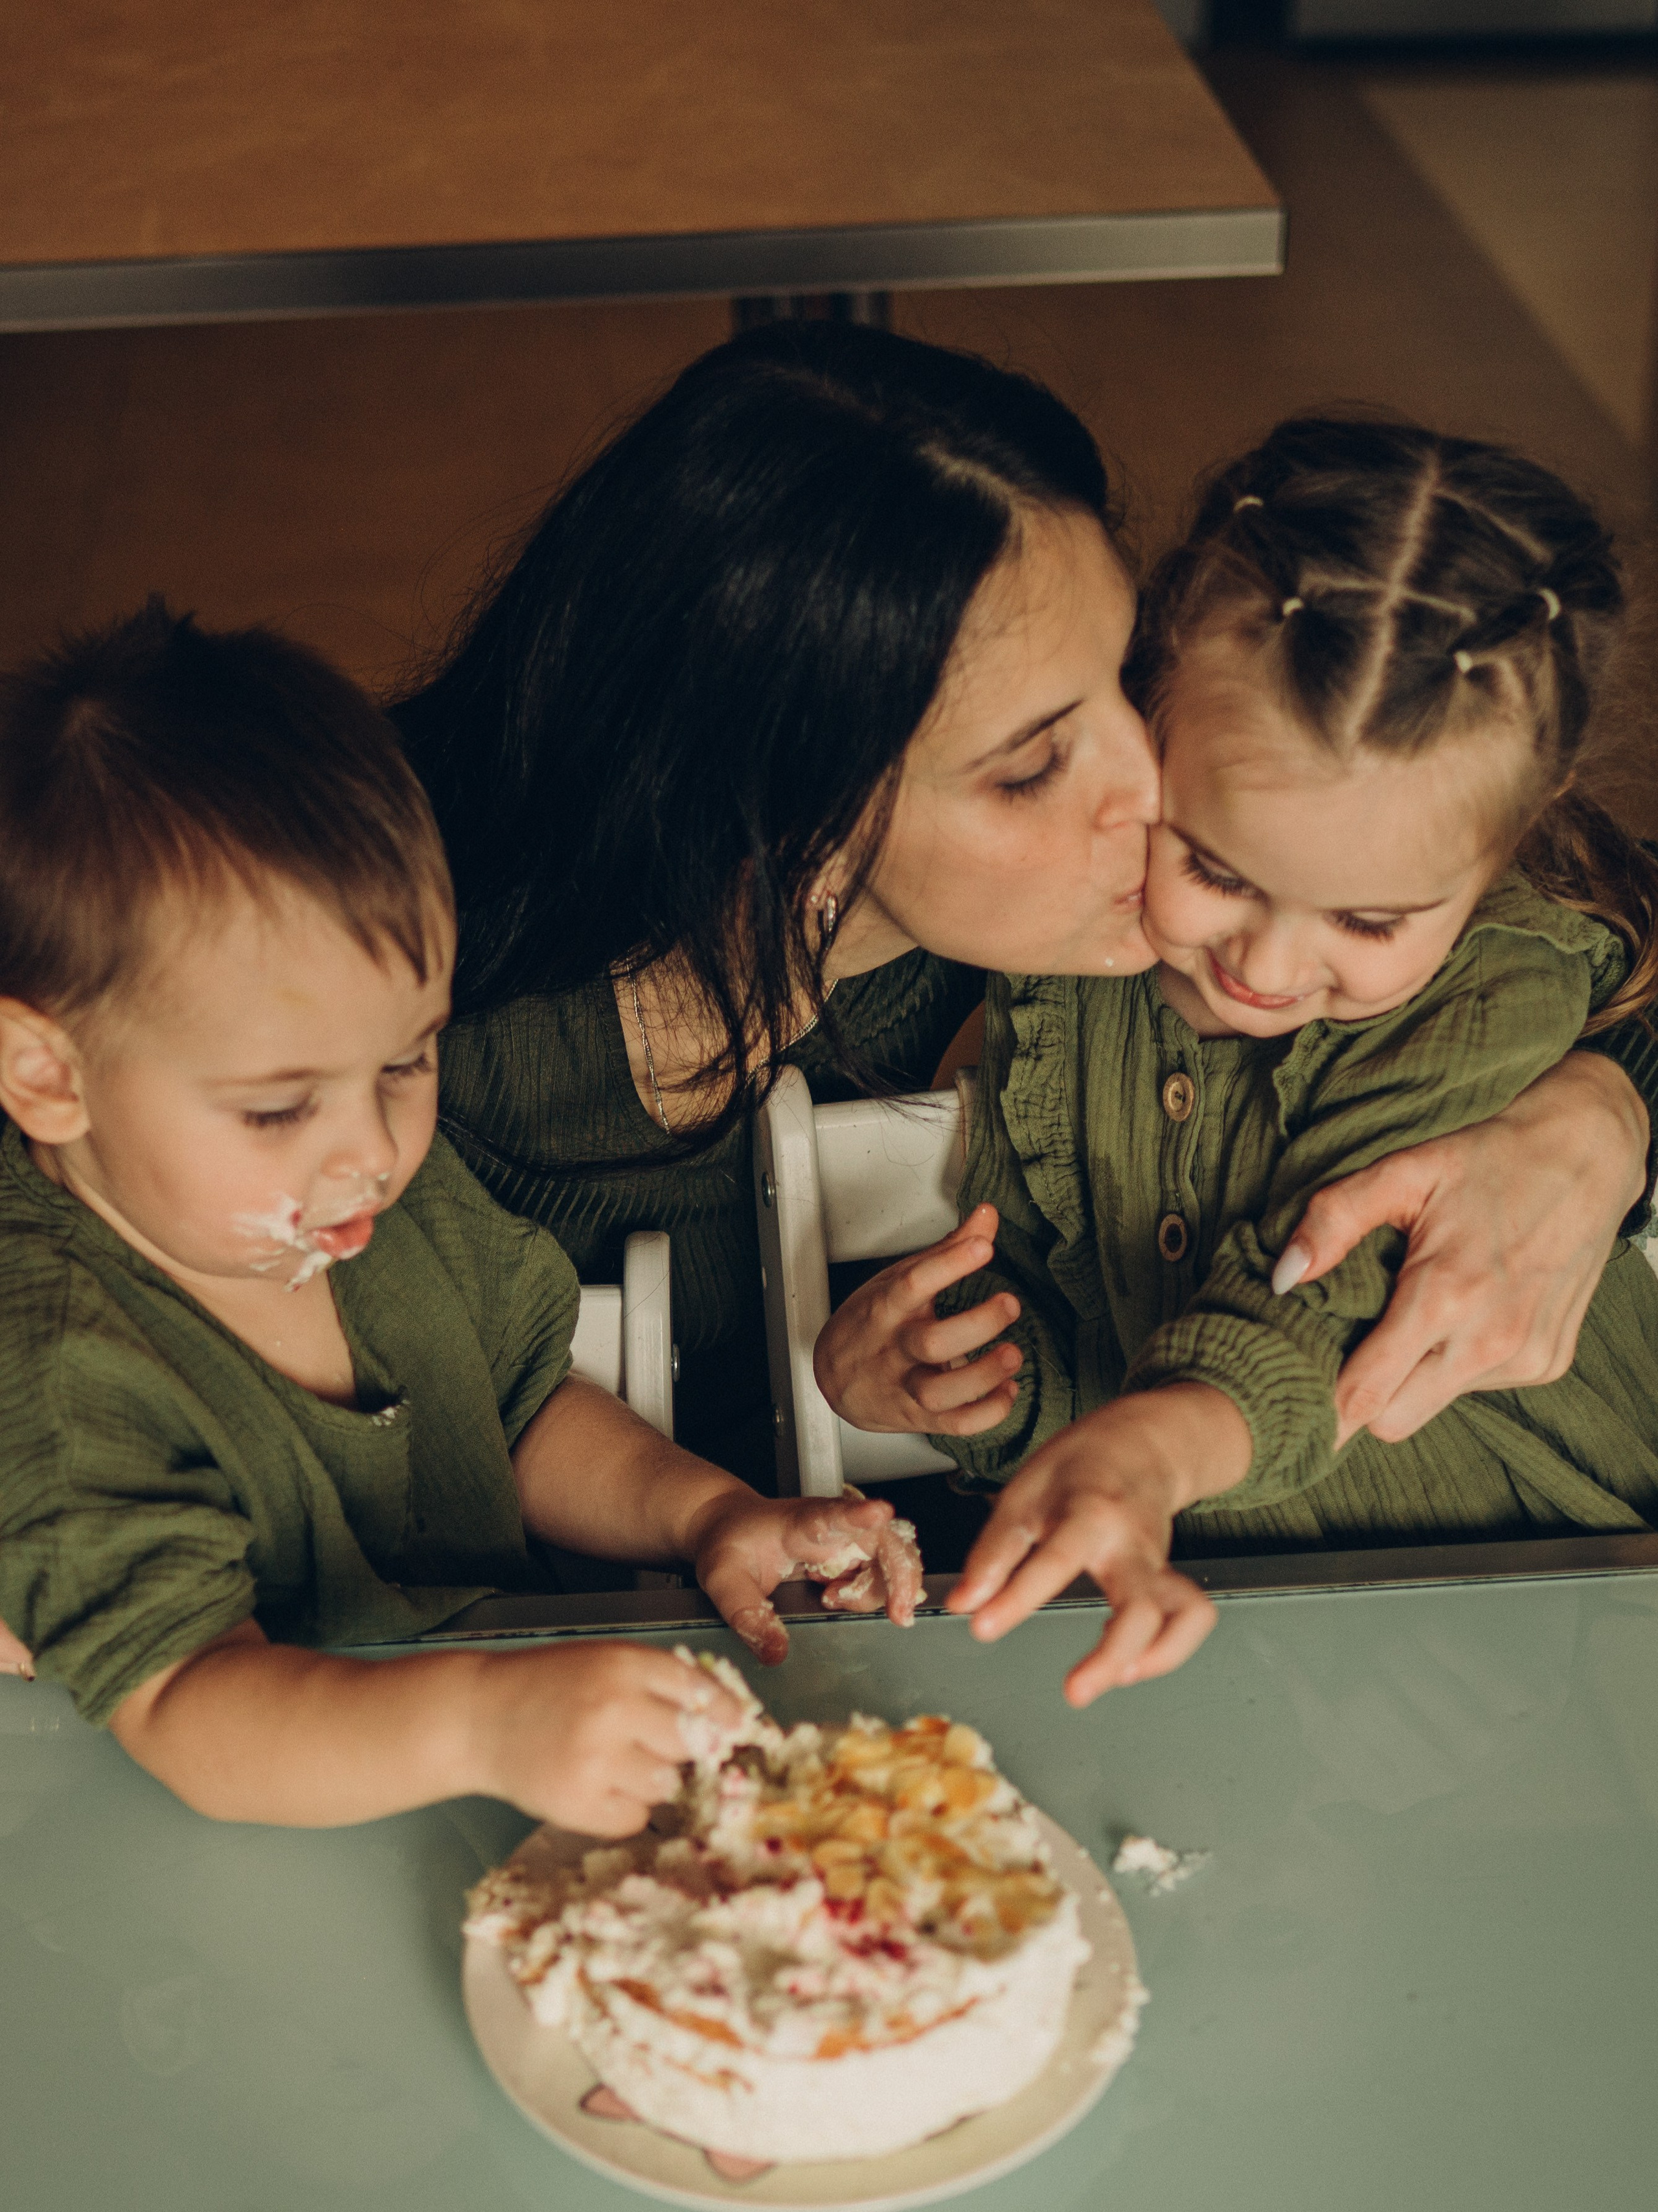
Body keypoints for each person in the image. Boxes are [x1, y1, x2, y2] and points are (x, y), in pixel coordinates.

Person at [391, 325, 1657, 1522]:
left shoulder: (1178, 915)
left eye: (1125, 678)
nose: (1155, 787)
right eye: (1032, 765)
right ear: (798, 806)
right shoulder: (411, 1054)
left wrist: (1597, 1116)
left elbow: (1567, 904)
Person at [0, 605, 920, 1831]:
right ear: (49, 1078)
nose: (371, 1150)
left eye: (407, 1062)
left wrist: (708, 1513)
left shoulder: (364, 1195)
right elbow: (187, 1708)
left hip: (493, 1780)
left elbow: (524, 1402)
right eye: (280, 1109)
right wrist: (485, 1721)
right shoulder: (58, 1370)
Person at [816, 417, 1658, 1702]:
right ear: (1142, 716)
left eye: (1367, 920)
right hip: (1218, 1614)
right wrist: (964, 1386)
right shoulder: (1056, 972)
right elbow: (1107, 1325)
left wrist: (1138, 1462)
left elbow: (1303, 1311)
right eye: (1212, 866)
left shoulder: (1496, 983)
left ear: (1506, 848)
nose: (1264, 965)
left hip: (1544, 1580)